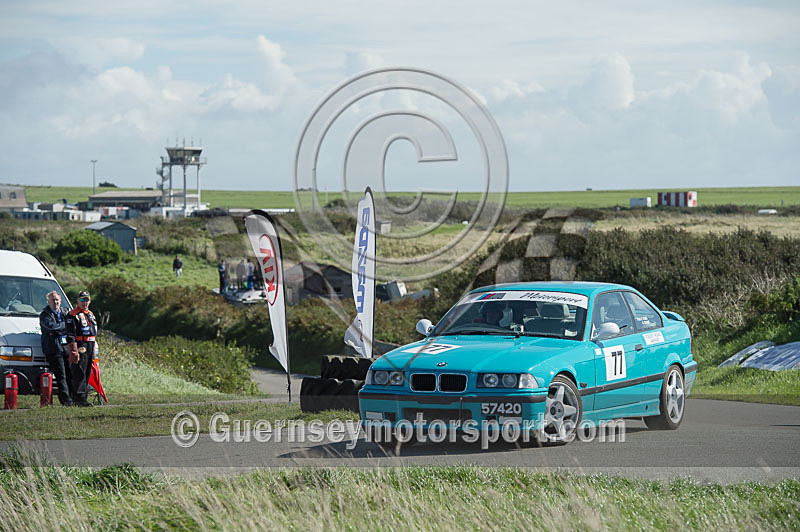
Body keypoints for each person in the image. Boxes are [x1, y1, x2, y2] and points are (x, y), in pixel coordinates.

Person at [39, 291, 72, 406]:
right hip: (53, 349)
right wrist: (64, 326)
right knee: (61, 376)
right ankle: (66, 401)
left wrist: (60, 328)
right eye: (53, 300)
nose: (55, 302)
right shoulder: (44, 314)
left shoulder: (65, 312)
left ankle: (72, 398)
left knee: (70, 373)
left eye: (57, 300)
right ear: (48, 302)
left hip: (65, 347)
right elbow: (52, 328)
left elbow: (72, 326)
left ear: (60, 301)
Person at [65, 290, 98, 407]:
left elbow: (92, 333)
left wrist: (94, 349)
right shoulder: (72, 315)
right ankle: (78, 398)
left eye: (87, 300)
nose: (85, 302)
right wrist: (73, 351)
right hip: (80, 346)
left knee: (87, 371)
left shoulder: (90, 314)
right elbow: (70, 335)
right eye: (82, 300)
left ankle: (83, 397)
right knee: (79, 372)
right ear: (77, 301)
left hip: (90, 345)